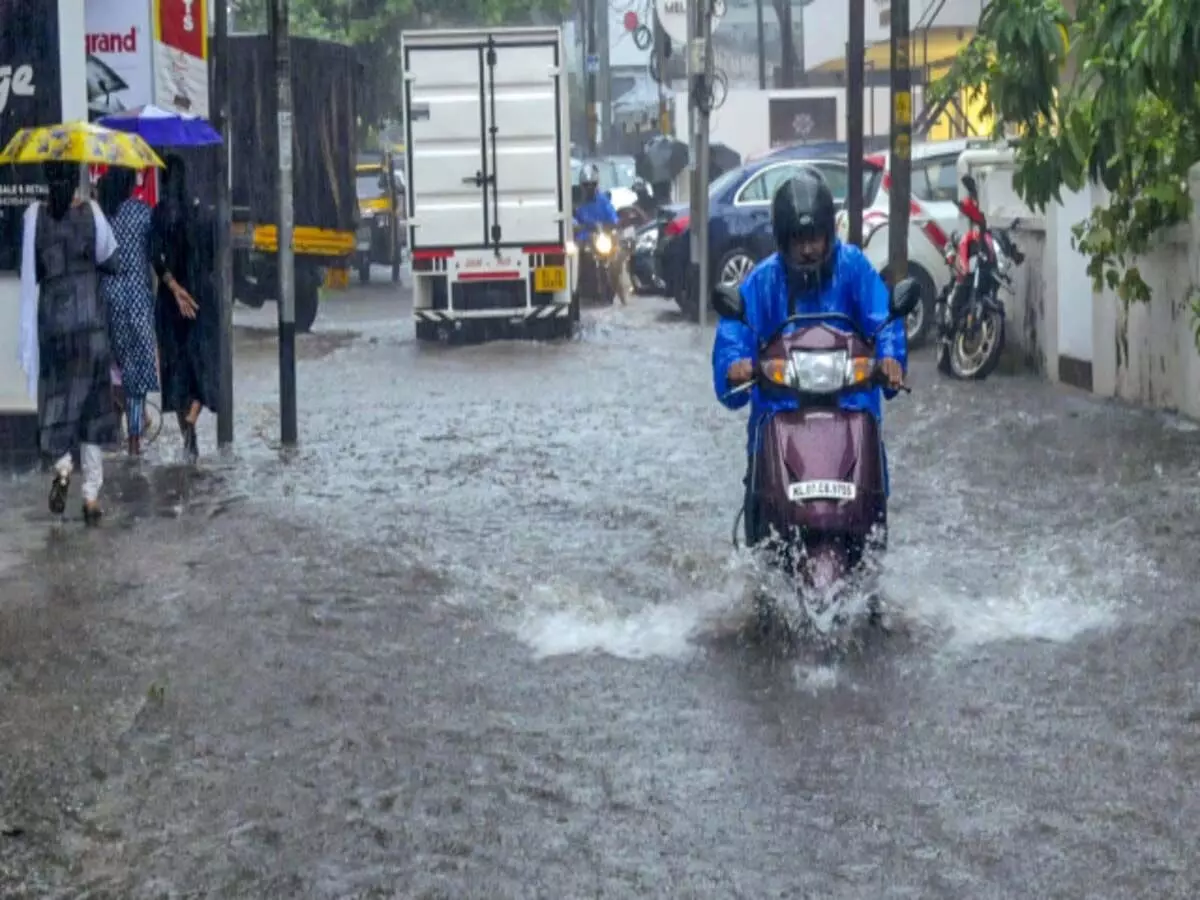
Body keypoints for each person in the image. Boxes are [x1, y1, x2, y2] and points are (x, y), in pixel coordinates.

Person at [711, 170, 908, 546]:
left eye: (815, 237)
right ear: (783, 240)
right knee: (758, 511)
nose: (808, 249)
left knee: (874, 503)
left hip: (851, 405)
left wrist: (890, 358)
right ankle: (761, 546)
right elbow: (735, 331)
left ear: (829, 235)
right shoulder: (763, 280)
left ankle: (870, 545)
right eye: (799, 239)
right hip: (780, 409)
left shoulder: (854, 269)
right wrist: (735, 364)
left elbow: (884, 320)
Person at [17, 161, 121, 523]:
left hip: (56, 326)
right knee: (93, 410)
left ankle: (62, 468)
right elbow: (113, 259)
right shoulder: (92, 211)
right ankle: (91, 496)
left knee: (58, 401)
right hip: (91, 323)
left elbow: (30, 269)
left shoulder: (34, 216)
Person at [151, 153, 218, 462]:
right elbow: (212, 257)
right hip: (200, 298)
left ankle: (186, 438)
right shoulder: (201, 214)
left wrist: (174, 288)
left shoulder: (160, 214)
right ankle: (193, 415)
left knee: (176, 372)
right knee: (202, 365)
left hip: (169, 303)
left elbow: (155, 258)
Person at [97, 167, 157, 457]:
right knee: (137, 374)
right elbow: (154, 254)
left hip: (108, 298)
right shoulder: (142, 213)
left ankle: (114, 432)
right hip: (137, 299)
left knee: (114, 368)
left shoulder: (101, 215)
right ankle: (134, 441)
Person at [573, 163, 622, 304]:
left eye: (592, 185)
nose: (589, 188)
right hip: (584, 239)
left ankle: (619, 288)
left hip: (602, 238)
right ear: (582, 185)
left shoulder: (603, 201)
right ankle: (577, 287)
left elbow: (613, 217)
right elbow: (573, 220)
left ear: (596, 184)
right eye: (586, 185)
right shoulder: (577, 203)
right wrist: (578, 226)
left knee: (618, 258)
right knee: (577, 257)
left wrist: (614, 223)